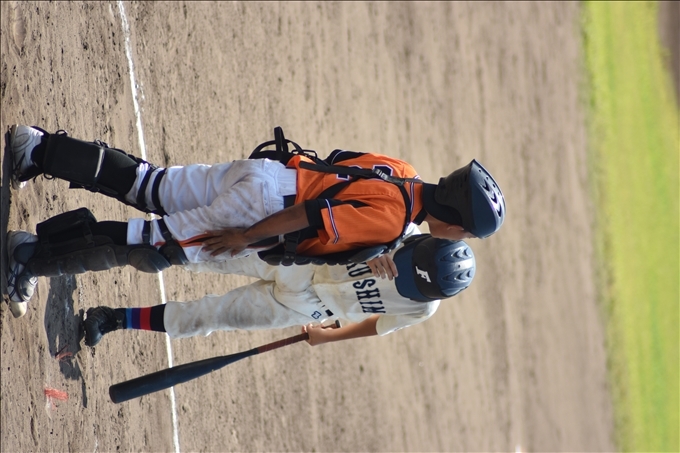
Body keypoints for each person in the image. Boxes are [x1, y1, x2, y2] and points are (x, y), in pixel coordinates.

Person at [5, 124, 504, 317]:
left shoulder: (403, 173)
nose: (458, 239)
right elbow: (310, 217)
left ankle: (37, 147)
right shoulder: (393, 222)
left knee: (149, 184)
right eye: (465, 231)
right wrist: (245, 237)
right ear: (455, 219)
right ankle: (26, 256)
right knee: (153, 245)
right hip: (262, 213)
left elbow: (338, 166)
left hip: (266, 175)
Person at [79, 233, 476, 347]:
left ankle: (113, 319)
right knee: (203, 252)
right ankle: (102, 245)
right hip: (302, 258)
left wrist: (328, 337)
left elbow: (379, 325)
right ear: (419, 244)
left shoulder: (422, 309)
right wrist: (378, 247)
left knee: (212, 317)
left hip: (308, 307)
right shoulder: (398, 229)